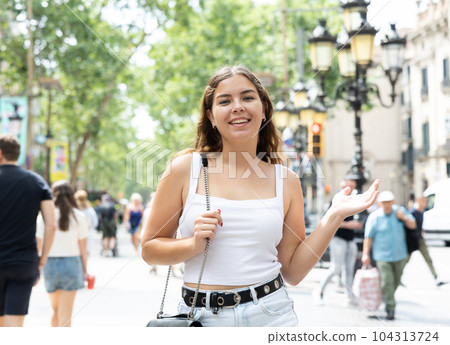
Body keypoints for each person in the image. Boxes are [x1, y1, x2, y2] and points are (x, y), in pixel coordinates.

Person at [141, 65, 379, 327]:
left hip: (271, 316)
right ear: (211, 116)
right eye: (224, 101)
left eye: (247, 97)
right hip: (200, 319)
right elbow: (150, 250)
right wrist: (192, 245)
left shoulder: (286, 180)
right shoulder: (185, 169)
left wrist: (334, 215)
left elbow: (293, 271)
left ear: (263, 109)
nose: (238, 106)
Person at [0, 134, 56, 327]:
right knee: (14, 324)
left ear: (0, 154)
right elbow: (51, 224)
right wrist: (41, 261)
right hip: (23, 263)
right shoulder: (37, 182)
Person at [36, 181, 89, 327]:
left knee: (55, 309)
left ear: (53, 195)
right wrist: (85, 270)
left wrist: (37, 267)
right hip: (71, 264)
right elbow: (83, 248)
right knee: (66, 315)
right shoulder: (78, 215)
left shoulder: (43, 217)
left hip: (49, 264)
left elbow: (38, 246)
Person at [362, 191, 416, 320]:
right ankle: (390, 308)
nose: (387, 205)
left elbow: (413, 225)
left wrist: (404, 218)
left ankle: (387, 298)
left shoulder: (400, 212)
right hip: (382, 256)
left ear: (393, 202)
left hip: (400, 254)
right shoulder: (374, 217)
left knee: (396, 281)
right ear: (379, 204)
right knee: (387, 281)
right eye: (384, 202)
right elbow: (368, 237)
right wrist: (365, 254)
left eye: (389, 202)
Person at [318, 178, 363, 304]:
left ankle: (349, 296)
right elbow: (326, 219)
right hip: (338, 238)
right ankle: (320, 290)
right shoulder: (335, 200)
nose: (351, 189)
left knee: (348, 269)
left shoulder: (352, 200)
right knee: (336, 268)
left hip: (350, 239)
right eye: (348, 187)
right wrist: (348, 225)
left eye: (352, 187)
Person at [408, 196, 447, 286]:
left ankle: (436, 277)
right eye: (423, 201)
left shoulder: (421, 212)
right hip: (412, 240)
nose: (425, 203)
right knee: (405, 260)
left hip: (420, 240)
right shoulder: (412, 212)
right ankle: (398, 279)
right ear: (418, 201)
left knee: (428, 259)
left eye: (426, 201)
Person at [74, 190, 99, 255]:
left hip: (75, 235)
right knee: (85, 253)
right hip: (88, 234)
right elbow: (95, 222)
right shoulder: (90, 210)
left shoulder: (74, 210)